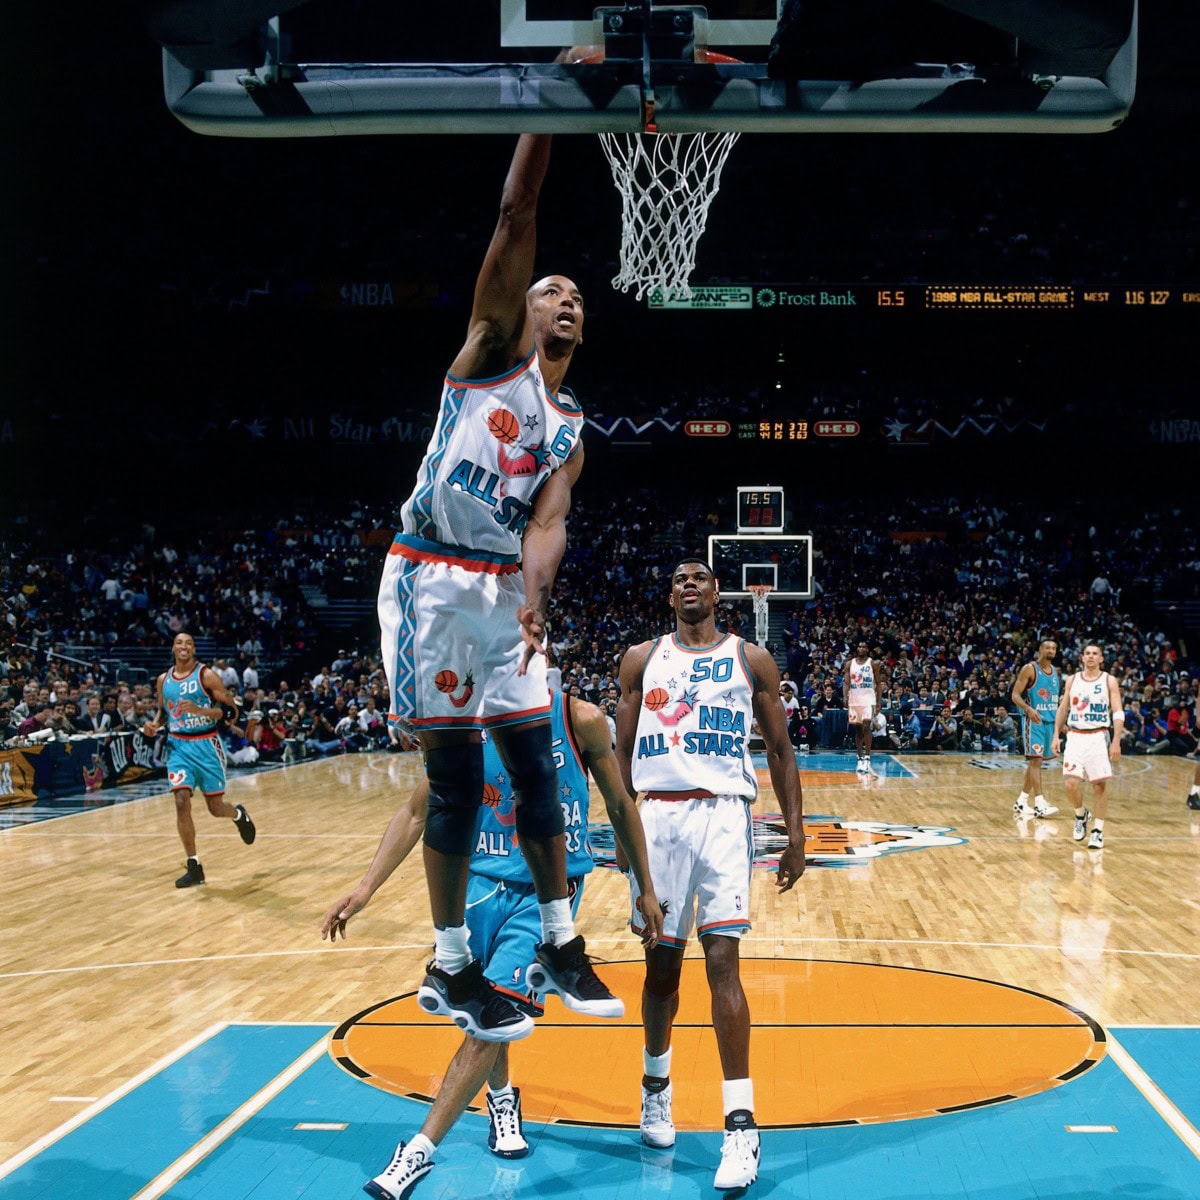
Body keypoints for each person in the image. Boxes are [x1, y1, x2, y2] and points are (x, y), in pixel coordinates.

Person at [376, 132, 615, 1041]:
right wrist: (544, 116)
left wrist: (536, 597)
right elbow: (517, 212)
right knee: (456, 779)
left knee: (537, 762)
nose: (565, 299)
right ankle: (448, 961)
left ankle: (559, 936)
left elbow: (549, 523)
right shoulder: (485, 352)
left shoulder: (572, 428)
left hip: (499, 590)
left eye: (578, 297)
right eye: (552, 288)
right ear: (522, 304)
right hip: (431, 575)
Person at [321, 691, 662, 1200]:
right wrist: (366, 886)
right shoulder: (468, 723)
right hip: (478, 883)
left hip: (546, 892)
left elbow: (619, 804)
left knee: (490, 1020)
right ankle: (503, 1099)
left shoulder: (579, 718)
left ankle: (418, 1150)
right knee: (488, 1013)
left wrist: (645, 889)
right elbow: (419, 810)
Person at [616, 558, 806, 1190]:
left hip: (725, 817)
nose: (688, 584)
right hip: (659, 820)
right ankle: (655, 1085)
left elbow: (780, 750)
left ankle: (741, 1124)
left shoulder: (752, 660)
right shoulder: (641, 660)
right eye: (677, 579)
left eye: (698, 576)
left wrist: (797, 833)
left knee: (723, 963)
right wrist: (623, 831)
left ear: (719, 591)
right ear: (669, 595)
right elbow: (617, 754)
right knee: (661, 971)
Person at [143, 632, 257, 887]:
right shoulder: (163, 680)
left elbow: (231, 711)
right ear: (173, 648)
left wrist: (201, 710)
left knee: (216, 809)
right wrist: (153, 725)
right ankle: (194, 865)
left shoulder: (206, 675)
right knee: (181, 800)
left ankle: (238, 815)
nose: (184, 646)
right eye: (179, 642)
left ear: (193, 649)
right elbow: (165, 713)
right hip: (178, 747)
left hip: (206, 745)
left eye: (189, 643)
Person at [1051, 643, 1124, 851]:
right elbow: (1063, 707)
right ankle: (1081, 814)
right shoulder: (1072, 680)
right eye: (1088, 654)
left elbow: (1118, 712)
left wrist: (1116, 740)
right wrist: (1056, 735)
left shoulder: (1109, 680)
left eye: (1095, 654)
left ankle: (1098, 831)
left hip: (1099, 736)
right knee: (1070, 784)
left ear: (1101, 658)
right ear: (1082, 658)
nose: (1091, 657)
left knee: (1098, 786)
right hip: (1075, 736)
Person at [1010, 638, 1061, 818]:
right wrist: (1028, 709)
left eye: (1054, 648)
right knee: (1036, 761)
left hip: (1049, 722)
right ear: (1040, 649)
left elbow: (1055, 702)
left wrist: (1061, 724)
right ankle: (1040, 803)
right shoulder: (1029, 669)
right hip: (1034, 722)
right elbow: (1015, 695)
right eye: (1047, 647)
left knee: (1035, 762)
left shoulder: (1056, 672)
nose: (1051, 650)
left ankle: (1021, 802)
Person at [844, 640, 882, 773]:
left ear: (867, 649)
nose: (861, 648)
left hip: (868, 699)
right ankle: (859, 757)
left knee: (866, 726)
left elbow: (878, 683)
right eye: (859, 646)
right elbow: (846, 683)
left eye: (864, 646)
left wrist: (878, 702)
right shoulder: (849, 664)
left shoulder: (873, 663)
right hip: (854, 700)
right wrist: (845, 696)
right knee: (858, 729)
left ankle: (867, 757)